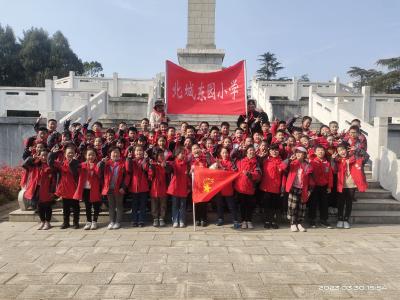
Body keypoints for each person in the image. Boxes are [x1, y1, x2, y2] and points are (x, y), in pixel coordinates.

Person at [334, 143, 368, 229]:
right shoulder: (337, 160)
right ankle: (340, 219)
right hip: (341, 184)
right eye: (339, 150)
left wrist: (358, 149)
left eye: (343, 149)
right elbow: (333, 170)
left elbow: (366, 157)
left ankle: (346, 220)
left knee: (349, 202)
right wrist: (332, 159)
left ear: (347, 149)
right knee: (340, 203)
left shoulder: (355, 159)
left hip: (351, 185)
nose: (342, 152)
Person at [48, 144, 80, 229]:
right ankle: (66, 222)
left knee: (76, 208)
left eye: (72, 153)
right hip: (64, 190)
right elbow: (50, 163)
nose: (70, 154)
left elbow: (75, 173)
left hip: (74, 190)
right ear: (65, 154)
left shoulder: (77, 163)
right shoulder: (61, 164)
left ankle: (76, 223)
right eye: (68, 153)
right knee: (65, 209)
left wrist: (73, 163)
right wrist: (52, 154)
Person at [282, 146, 314, 232]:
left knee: (301, 207)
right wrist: (289, 160)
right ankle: (292, 223)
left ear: (304, 154)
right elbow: (282, 167)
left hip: (304, 188)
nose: (299, 154)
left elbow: (311, 178)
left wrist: (310, 190)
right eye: (297, 152)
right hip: (293, 187)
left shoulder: (308, 165)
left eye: (301, 153)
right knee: (292, 206)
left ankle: (299, 223)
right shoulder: (292, 162)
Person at [22, 148, 54, 230]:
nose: (44, 157)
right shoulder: (35, 164)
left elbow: (53, 180)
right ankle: (42, 222)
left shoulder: (51, 165)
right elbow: (25, 164)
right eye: (42, 155)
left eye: (46, 155)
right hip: (36, 189)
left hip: (46, 189)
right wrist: (32, 158)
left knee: (47, 206)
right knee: (39, 207)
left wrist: (52, 190)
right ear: (39, 156)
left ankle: (48, 222)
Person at [73, 148, 102, 230]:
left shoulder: (98, 165)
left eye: (93, 154)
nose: (91, 156)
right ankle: (88, 221)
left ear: (96, 156)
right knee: (87, 206)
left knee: (96, 206)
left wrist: (98, 166)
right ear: (85, 156)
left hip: (95, 189)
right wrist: (74, 161)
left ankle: (94, 221)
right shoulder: (82, 165)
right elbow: (74, 170)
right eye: (89, 155)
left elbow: (100, 175)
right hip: (85, 189)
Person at [234, 145, 261, 229]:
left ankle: (249, 220)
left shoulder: (256, 162)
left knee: (250, 205)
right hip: (240, 187)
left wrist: (250, 174)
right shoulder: (240, 161)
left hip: (250, 188)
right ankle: (243, 221)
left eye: (253, 150)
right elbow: (234, 171)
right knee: (242, 205)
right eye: (250, 150)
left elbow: (258, 175)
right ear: (246, 152)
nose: (251, 152)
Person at [259, 144, 285, 229]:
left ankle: (273, 220)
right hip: (266, 186)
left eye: (276, 150)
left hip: (276, 187)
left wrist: (282, 187)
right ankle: (267, 220)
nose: (274, 152)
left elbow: (284, 175)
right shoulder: (265, 160)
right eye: (272, 150)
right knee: (266, 205)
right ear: (269, 151)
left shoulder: (282, 161)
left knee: (275, 206)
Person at [99, 147, 126, 230]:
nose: (115, 154)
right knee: (111, 206)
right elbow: (99, 172)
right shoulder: (106, 164)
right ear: (110, 155)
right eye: (113, 152)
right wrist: (102, 163)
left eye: (117, 152)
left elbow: (127, 177)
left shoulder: (123, 164)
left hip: (119, 189)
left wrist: (123, 187)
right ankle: (111, 221)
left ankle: (118, 222)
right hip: (109, 188)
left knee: (119, 205)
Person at [309, 145, 333, 229]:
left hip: (324, 186)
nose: (320, 152)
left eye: (322, 150)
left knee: (324, 204)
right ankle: (312, 220)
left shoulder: (327, 163)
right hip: (314, 186)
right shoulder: (312, 162)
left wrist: (329, 186)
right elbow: (310, 175)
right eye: (318, 150)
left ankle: (324, 220)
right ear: (315, 152)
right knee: (313, 203)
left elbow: (330, 176)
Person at [125, 145, 150, 227]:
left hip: (143, 186)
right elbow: (128, 169)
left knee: (142, 205)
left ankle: (141, 220)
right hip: (134, 186)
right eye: (137, 150)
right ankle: (134, 220)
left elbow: (146, 169)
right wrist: (128, 158)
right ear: (134, 153)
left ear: (143, 152)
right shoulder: (132, 161)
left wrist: (145, 159)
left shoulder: (146, 160)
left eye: (140, 150)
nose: (139, 152)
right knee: (134, 205)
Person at [167, 147, 190, 228]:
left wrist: (189, 186)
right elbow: (168, 169)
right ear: (177, 154)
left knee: (183, 205)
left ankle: (182, 220)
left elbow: (188, 176)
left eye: (184, 153)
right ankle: (175, 220)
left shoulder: (186, 164)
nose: (183, 155)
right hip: (175, 187)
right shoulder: (173, 163)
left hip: (183, 187)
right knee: (175, 205)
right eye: (181, 153)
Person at [148, 149, 170, 227]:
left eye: (163, 155)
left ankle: (161, 218)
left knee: (163, 204)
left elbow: (169, 173)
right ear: (156, 157)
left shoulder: (167, 165)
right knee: (154, 204)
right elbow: (150, 176)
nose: (161, 157)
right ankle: (155, 218)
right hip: (154, 188)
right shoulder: (153, 165)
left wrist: (165, 167)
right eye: (160, 155)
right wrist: (151, 166)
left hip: (164, 188)